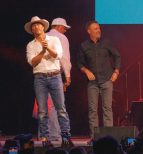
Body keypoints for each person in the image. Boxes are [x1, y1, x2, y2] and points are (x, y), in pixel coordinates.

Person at [25, 16, 72, 146]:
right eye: (33, 25)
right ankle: (45, 138)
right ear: (32, 29)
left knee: (61, 108)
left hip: (55, 76)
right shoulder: (31, 45)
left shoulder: (54, 39)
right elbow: (32, 62)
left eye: (38, 24)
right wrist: (42, 52)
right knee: (42, 110)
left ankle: (66, 137)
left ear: (43, 27)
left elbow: (58, 55)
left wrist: (48, 48)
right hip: (40, 78)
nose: (36, 27)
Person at [77, 21, 121, 138]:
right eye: (96, 28)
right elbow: (79, 63)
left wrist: (116, 71)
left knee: (107, 109)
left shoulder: (106, 43)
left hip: (107, 80)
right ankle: (94, 137)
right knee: (93, 111)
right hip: (92, 83)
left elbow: (117, 56)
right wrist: (86, 71)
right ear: (89, 31)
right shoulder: (84, 46)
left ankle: (108, 137)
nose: (98, 30)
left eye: (99, 28)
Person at [45, 17, 73, 138]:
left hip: (41, 74)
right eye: (64, 28)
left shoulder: (43, 36)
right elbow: (64, 59)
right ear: (59, 27)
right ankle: (57, 134)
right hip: (55, 73)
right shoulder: (62, 38)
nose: (65, 30)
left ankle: (45, 134)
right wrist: (67, 76)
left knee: (45, 105)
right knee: (58, 106)